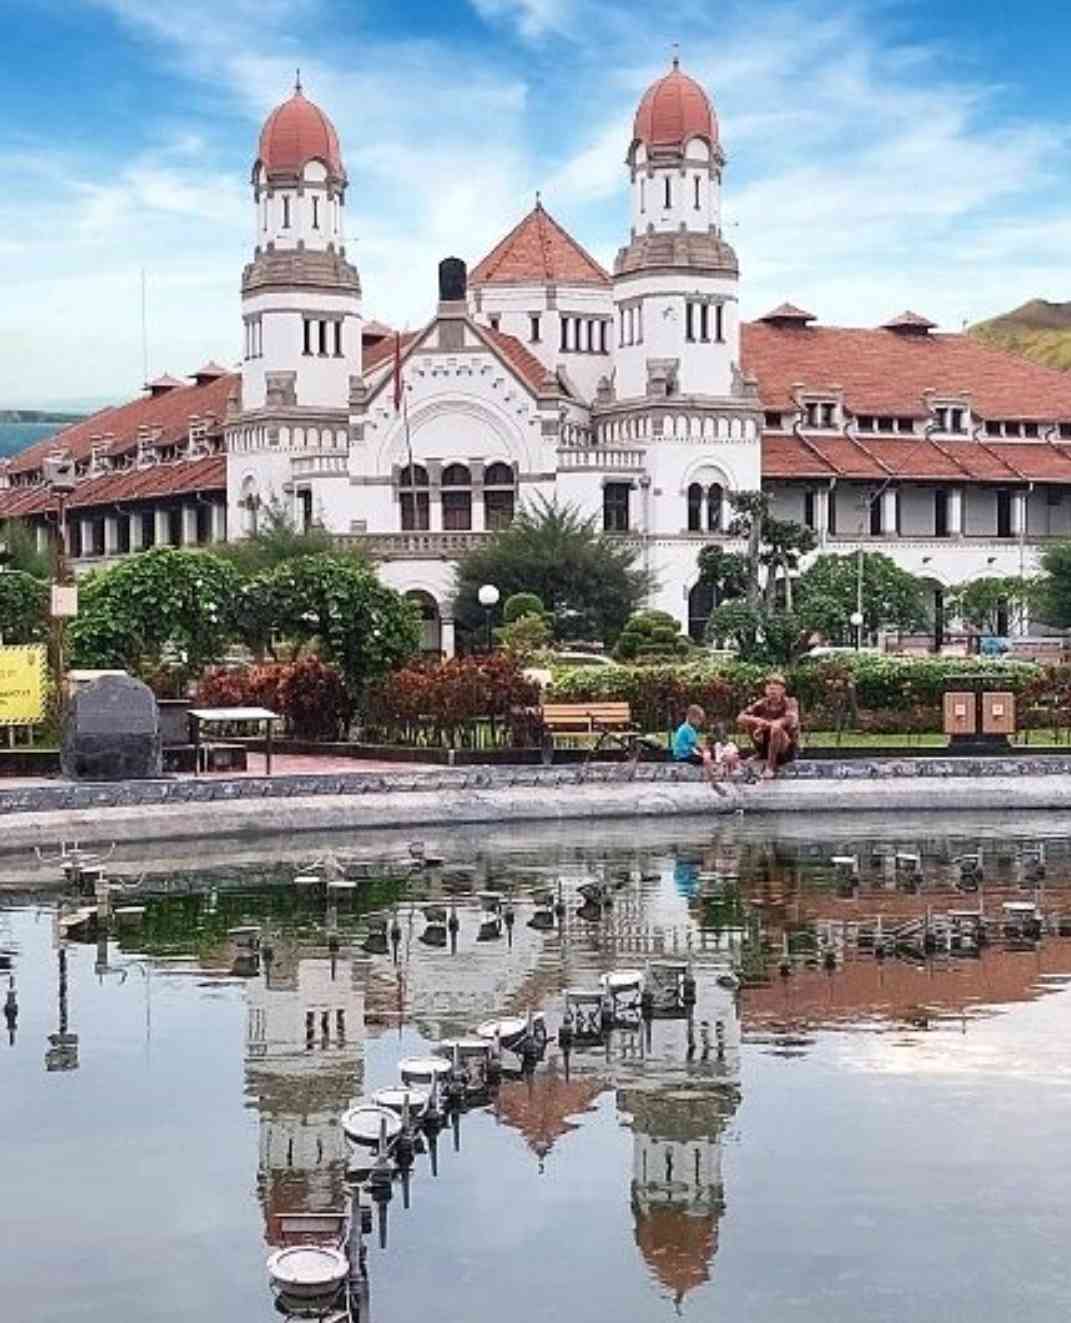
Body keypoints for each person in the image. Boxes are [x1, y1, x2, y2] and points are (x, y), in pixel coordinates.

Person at [738, 674, 800, 781]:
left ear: (783, 690)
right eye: (770, 688)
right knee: (751, 722)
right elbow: (740, 717)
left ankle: (771, 767)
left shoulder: (790, 702)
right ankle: (762, 753)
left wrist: (765, 726)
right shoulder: (761, 703)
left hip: (786, 748)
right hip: (767, 742)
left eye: (776, 688)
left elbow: (791, 719)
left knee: (776, 728)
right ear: (766, 690)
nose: (772, 691)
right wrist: (757, 721)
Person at [671, 704, 711, 769]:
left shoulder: (684, 727)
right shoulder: (688, 729)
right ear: (692, 718)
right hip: (683, 756)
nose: (700, 722)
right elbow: (695, 745)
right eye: (699, 719)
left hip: (678, 755)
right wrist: (704, 751)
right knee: (702, 759)